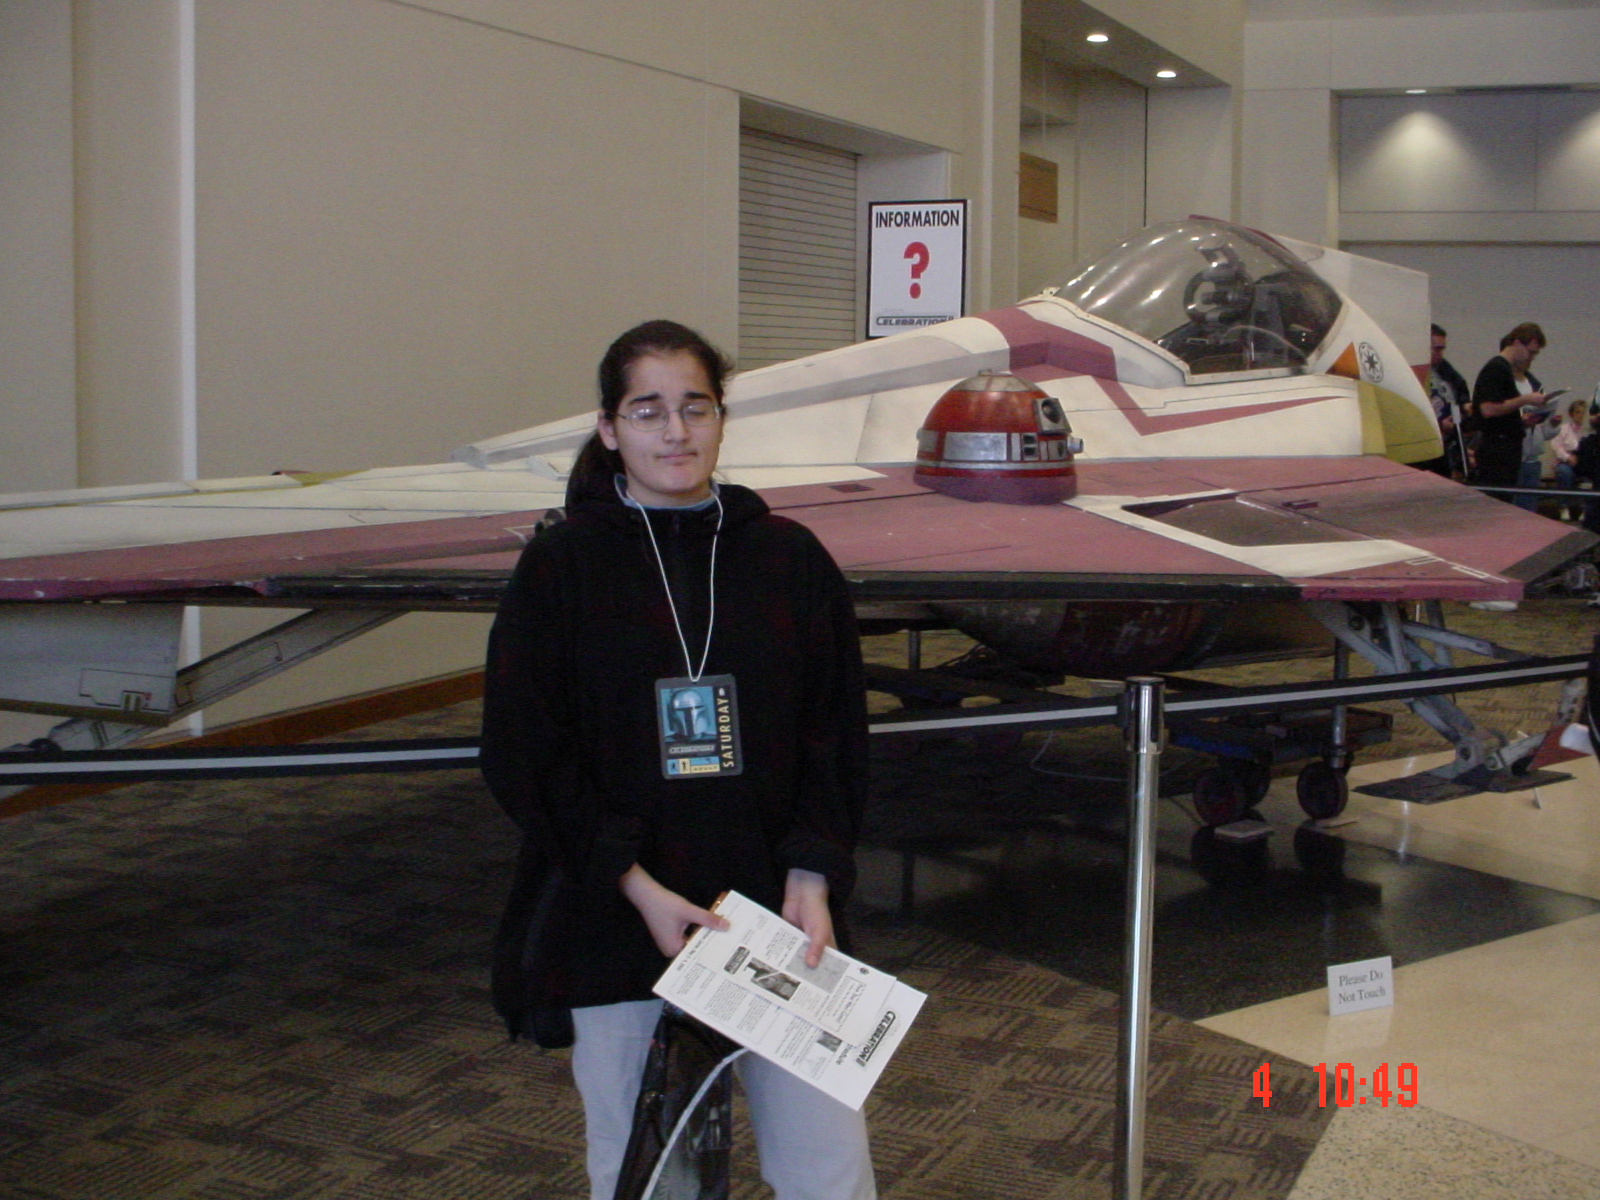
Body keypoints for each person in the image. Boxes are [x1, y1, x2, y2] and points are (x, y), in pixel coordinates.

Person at [479, 319, 876, 1200]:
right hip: (623, 914)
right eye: (648, 410)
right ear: (609, 428)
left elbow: (834, 732)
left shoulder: (787, 558)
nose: (675, 431)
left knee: (830, 1167)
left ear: (721, 419)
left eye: (696, 407)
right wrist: (633, 883)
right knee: (650, 1175)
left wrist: (813, 873)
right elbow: (524, 750)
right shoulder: (562, 566)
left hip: (777, 913)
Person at [1471, 322, 1550, 501]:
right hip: (1497, 450)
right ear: (1517, 342)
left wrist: (1520, 421)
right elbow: (1488, 409)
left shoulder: (1504, 369)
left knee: (1505, 499)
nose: (1531, 358)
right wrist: (1525, 399)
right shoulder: (1496, 368)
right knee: (1496, 502)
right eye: (1530, 352)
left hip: (1507, 447)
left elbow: (1500, 411)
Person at [1420, 323, 1470, 478]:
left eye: (1442, 349)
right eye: (1436, 349)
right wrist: (1439, 425)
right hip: (1424, 445)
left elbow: (1460, 392)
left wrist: (1465, 408)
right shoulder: (1414, 373)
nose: (1440, 353)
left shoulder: (1445, 369)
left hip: (1446, 445)